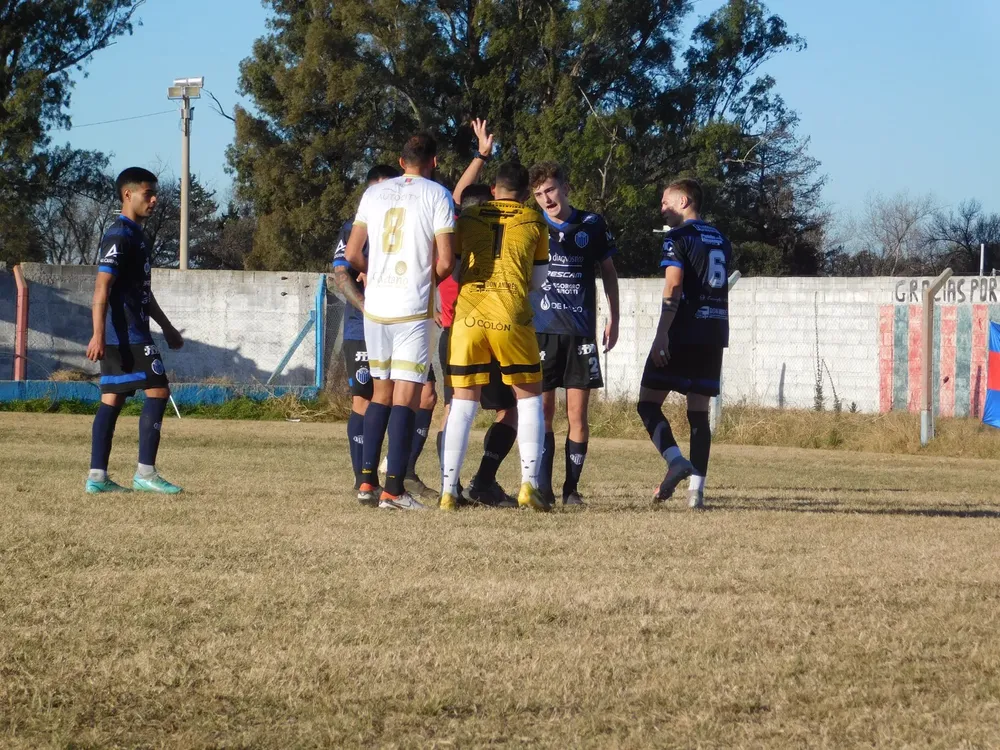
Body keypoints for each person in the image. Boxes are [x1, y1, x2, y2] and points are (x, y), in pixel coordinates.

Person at [345, 133, 455, 510]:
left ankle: (365, 483)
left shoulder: (374, 194)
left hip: (376, 306)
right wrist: (426, 281)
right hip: (411, 306)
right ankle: (394, 490)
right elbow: (444, 262)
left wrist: (376, 275)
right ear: (434, 163)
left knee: (380, 393)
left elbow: (353, 253)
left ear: (400, 159)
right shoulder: (436, 194)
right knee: (407, 396)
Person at [439, 160, 550, 513]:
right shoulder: (535, 221)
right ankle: (529, 485)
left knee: (463, 403)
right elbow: (538, 281)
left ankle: (447, 490)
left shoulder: (468, 219)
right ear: (526, 191)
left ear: (493, 190)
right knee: (528, 399)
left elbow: (454, 268)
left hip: (469, 315)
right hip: (511, 313)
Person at [435, 119, 520, 508]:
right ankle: (484, 479)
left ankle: (448, 486)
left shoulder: (453, 233)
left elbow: (456, 196)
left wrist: (481, 155)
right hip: (490, 329)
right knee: (512, 407)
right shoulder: (496, 232)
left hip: (453, 333)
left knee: (454, 408)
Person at [84, 167, 184, 494]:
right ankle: (146, 473)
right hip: (124, 335)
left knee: (111, 399)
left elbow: (141, 291)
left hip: (127, 333)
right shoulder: (120, 236)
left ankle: (97, 478)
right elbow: (101, 288)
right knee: (158, 391)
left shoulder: (137, 235)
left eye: (155, 193)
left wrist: (167, 326)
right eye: (147, 193)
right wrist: (97, 334)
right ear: (128, 194)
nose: (154, 200)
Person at [636, 178, 732, 510]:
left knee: (647, 403)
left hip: (683, 332)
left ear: (684, 201)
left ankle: (675, 460)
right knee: (698, 414)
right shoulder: (721, 238)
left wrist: (662, 332)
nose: (661, 208)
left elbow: (673, 287)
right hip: (714, 333)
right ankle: (697, 494)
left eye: (666, 202)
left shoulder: (677, 238)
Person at [528, 162, 620, 506]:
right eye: (538, 194)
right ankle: (544, 488)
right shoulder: (532, 224)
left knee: (577, 415)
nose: (545, 199)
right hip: (542, 331)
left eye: (550, 190)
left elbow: (608, 272)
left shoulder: (592, 224)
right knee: (543, 412)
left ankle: (571, 490)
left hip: (580, 332)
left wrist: (615, 317)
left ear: (565, 187)